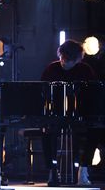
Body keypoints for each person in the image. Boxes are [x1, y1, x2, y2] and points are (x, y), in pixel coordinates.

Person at [41, 39, 97, 186]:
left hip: (82, 114)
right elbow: (42, 93)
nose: (65, 62)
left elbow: (93, 94)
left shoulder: (84, 69)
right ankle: (52, 171)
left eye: (69, 60)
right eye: (63, 59)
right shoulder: (51, 69)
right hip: (55, 114)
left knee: (94, 132)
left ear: (77, 59)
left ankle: (83, 170)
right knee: (46, 132)